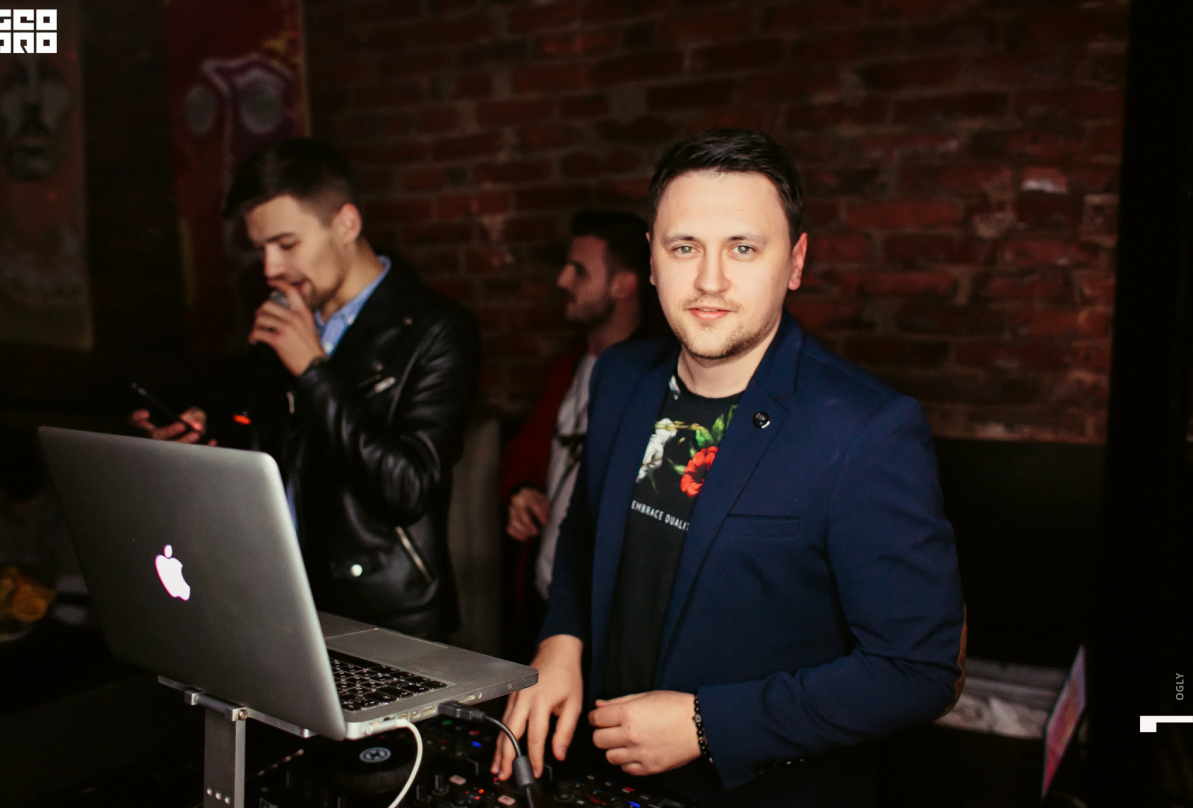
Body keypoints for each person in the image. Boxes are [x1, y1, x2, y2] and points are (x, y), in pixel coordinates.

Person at [492, 129, 966, 807]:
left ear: (795, 262)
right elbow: (585, 529)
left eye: (743, 248)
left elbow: (917, 670)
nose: (709, 280)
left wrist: (708, 725)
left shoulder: (868, 429)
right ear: (652, 260)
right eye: (684, 247)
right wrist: (561, 639)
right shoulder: (619, 376)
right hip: (601, 776)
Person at [132, 138, 479, 641]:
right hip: (279, 600)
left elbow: (407, 488)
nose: (270, 268)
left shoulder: (438, 329)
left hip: (385, 618)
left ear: (346, 224)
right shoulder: (288, 312)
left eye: (286, 244)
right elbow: (272, 440)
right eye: (261, 249)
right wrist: (210, 430)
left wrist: (314, 369)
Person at [499, 210, 656, 651]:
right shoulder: (566, 369)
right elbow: (525, 453)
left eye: (579, 270)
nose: (562, 280)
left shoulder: (655, 381)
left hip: (612, 623)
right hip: (545, 603)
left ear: (623, 284)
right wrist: (519, 491)